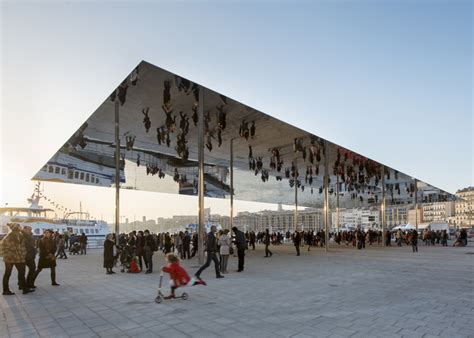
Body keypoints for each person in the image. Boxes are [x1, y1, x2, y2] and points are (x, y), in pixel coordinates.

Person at [1, 223, 34, 295]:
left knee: (10, 274)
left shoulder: (15, 236)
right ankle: (8, 290)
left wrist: (22, 254)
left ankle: (23, 289)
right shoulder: (12, 236)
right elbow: (4, 248)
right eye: (19, 227)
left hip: (15, 258)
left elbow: (22, 247)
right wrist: (11, 255)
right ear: (16, 228)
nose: (21, 228)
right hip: (14, 259)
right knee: (17, 273)